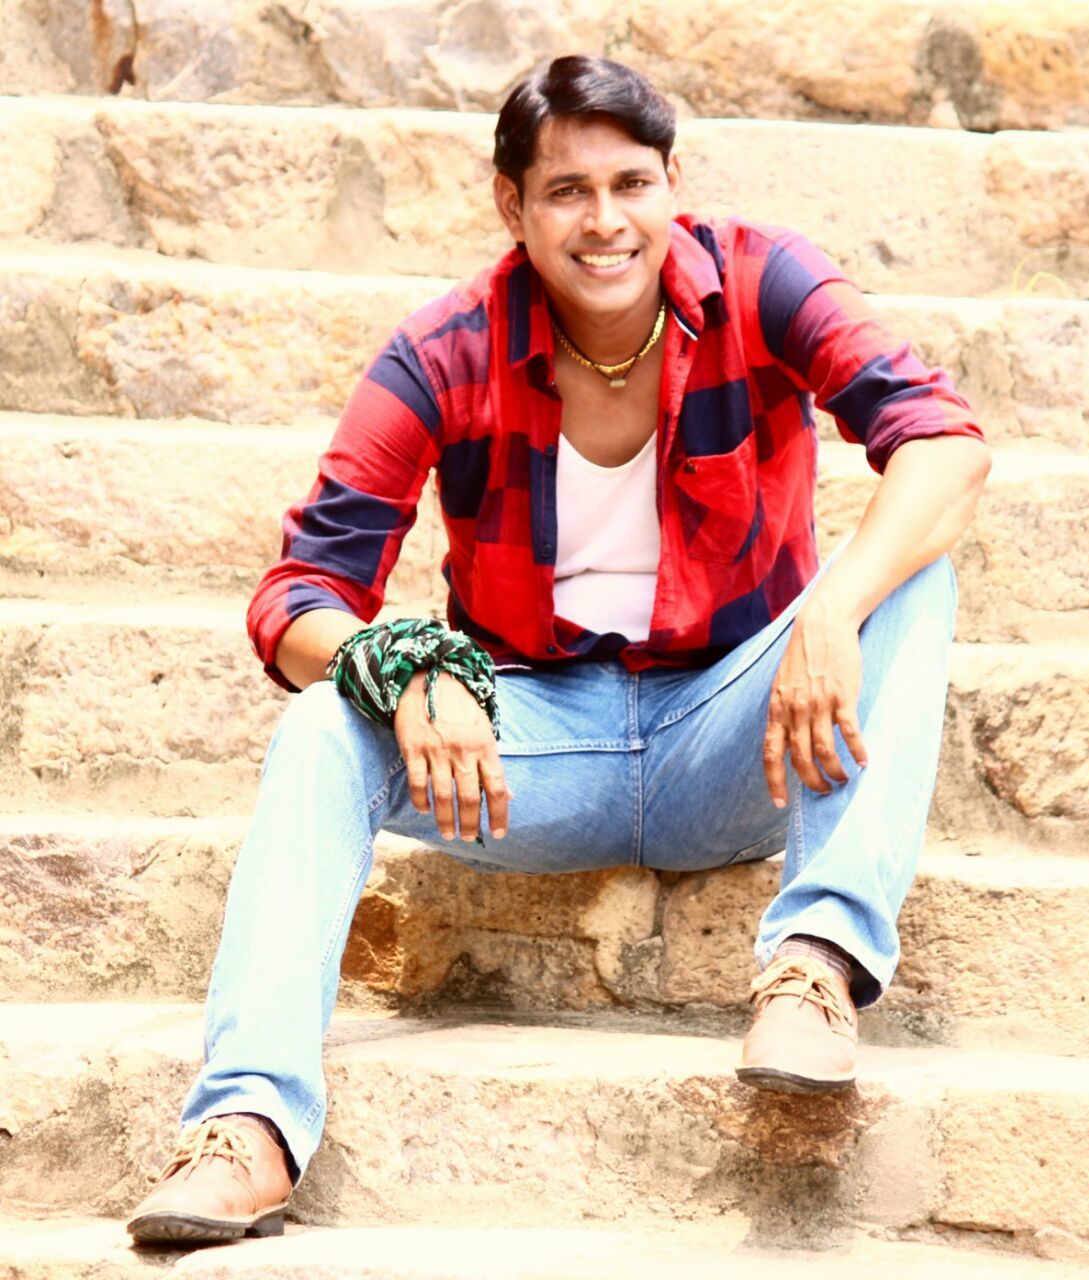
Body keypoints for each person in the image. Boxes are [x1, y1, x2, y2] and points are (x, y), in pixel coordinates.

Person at [126, 55, 989, 1245]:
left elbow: (942, 443)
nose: (603, 221)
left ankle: (813, 962)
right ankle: (248, 1125)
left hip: (734, 734)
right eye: (566, 191)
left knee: (908, 574)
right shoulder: (445, 349)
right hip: (528, 750)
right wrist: (405, 666)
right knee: (323, 724)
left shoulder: (761, 280)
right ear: (512, 204)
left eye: (629, 183)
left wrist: (830, 611)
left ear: (671, 181)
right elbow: (300, 592)